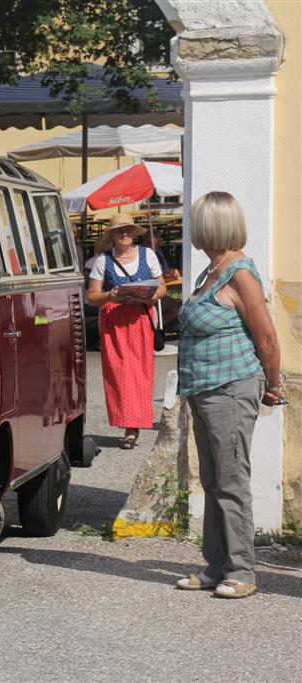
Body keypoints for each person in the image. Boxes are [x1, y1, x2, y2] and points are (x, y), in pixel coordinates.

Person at [173, 191, 283, 599]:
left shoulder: (239, 272)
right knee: (213, 479)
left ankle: (242, 571)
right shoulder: (211, 269)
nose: (191, 229)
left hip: (232, 388)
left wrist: (273, 386)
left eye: (196, 221)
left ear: (212, 225)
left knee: (231, 479)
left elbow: (267, 338)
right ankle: (216, 565)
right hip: (204, 389)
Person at [85, 214, 167, 449]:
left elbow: (162, 288)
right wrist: (109, 295)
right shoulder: (103, 260)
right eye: (120, 231)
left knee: (140, 372)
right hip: (114, 321)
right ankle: (127, 424)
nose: (125, 234)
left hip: (140, 318)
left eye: (128, 230)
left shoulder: (147, 254)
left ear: (134, 233)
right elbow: (92, 296)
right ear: (111, 235)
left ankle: (135, 424)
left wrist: (150, 293)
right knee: (120, 373)